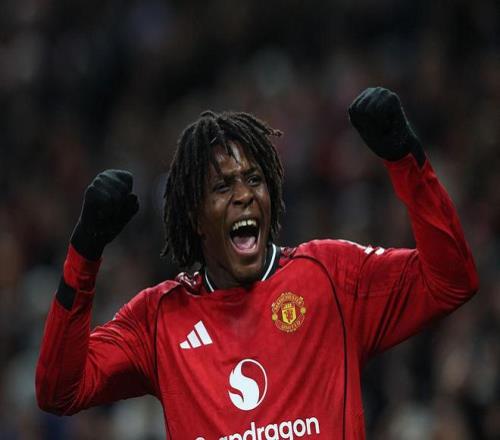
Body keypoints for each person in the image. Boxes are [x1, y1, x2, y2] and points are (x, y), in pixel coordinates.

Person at [36, 87, 478, 440]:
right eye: (222, 187)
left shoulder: (331, 276)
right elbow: (59, 391)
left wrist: (406, 159)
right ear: (195, 217)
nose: (244, 195)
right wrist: (84, 254)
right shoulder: (158, 320)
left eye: (254, 179)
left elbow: (452, 280)